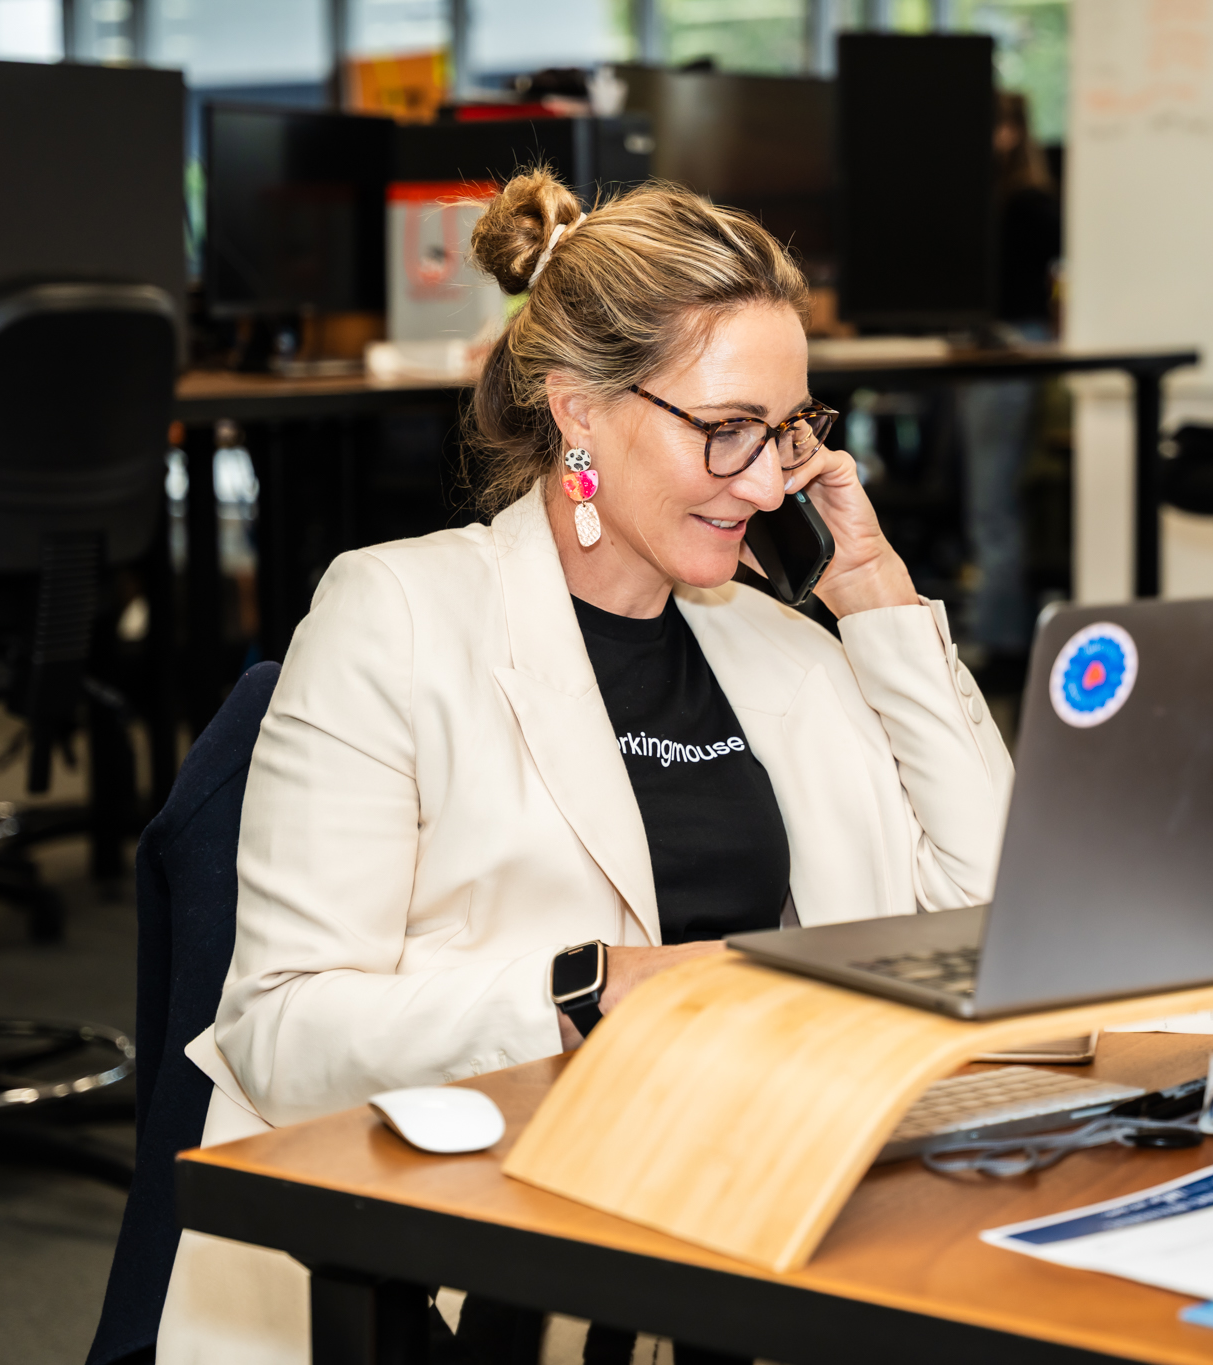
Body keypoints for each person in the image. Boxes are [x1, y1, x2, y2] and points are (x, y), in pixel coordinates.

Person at [155, 169, 1013, 1365]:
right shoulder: (395, 615)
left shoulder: (776, 643)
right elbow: (281, 1033)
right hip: (472, 1255)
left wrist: (869, 588)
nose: (767, 484)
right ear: (577, 413)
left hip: (741, 1218)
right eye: (724, 429)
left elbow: (988, 923)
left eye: (790, 431)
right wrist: (592, 990)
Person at [958, 90, 1063, 693]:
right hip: (995, 349)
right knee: (988, 504)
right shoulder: (1006, 198)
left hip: (1007, 349)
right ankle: (999, 631)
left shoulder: (1022, 204)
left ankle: (1002, 643)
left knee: (993, 507)